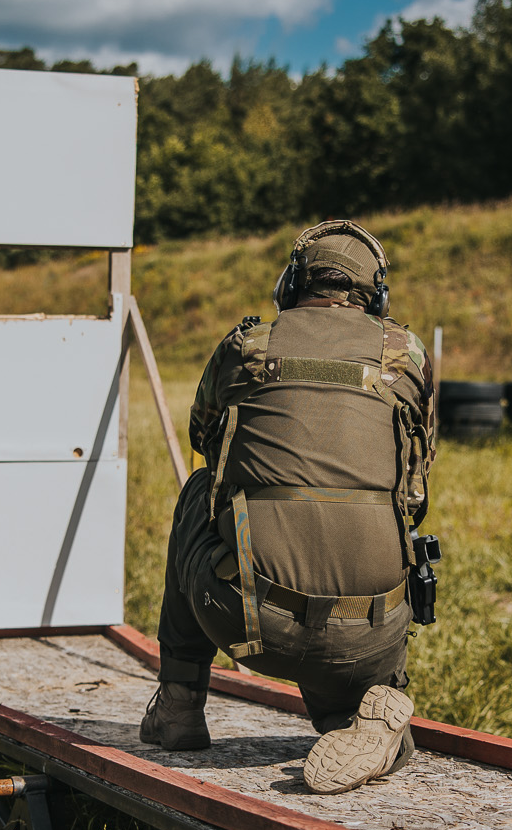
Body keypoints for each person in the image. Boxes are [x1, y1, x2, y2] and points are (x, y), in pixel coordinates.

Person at [140, 220, 437, 794]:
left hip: (252, 623)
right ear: (375, 295)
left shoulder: (246, 347)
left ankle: (178, 707)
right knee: (343, 693)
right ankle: (374, 724)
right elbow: (416, 483)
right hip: (371, 632)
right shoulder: (407, 354)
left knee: (197, 493)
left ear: (290, 284)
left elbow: (205, 439)